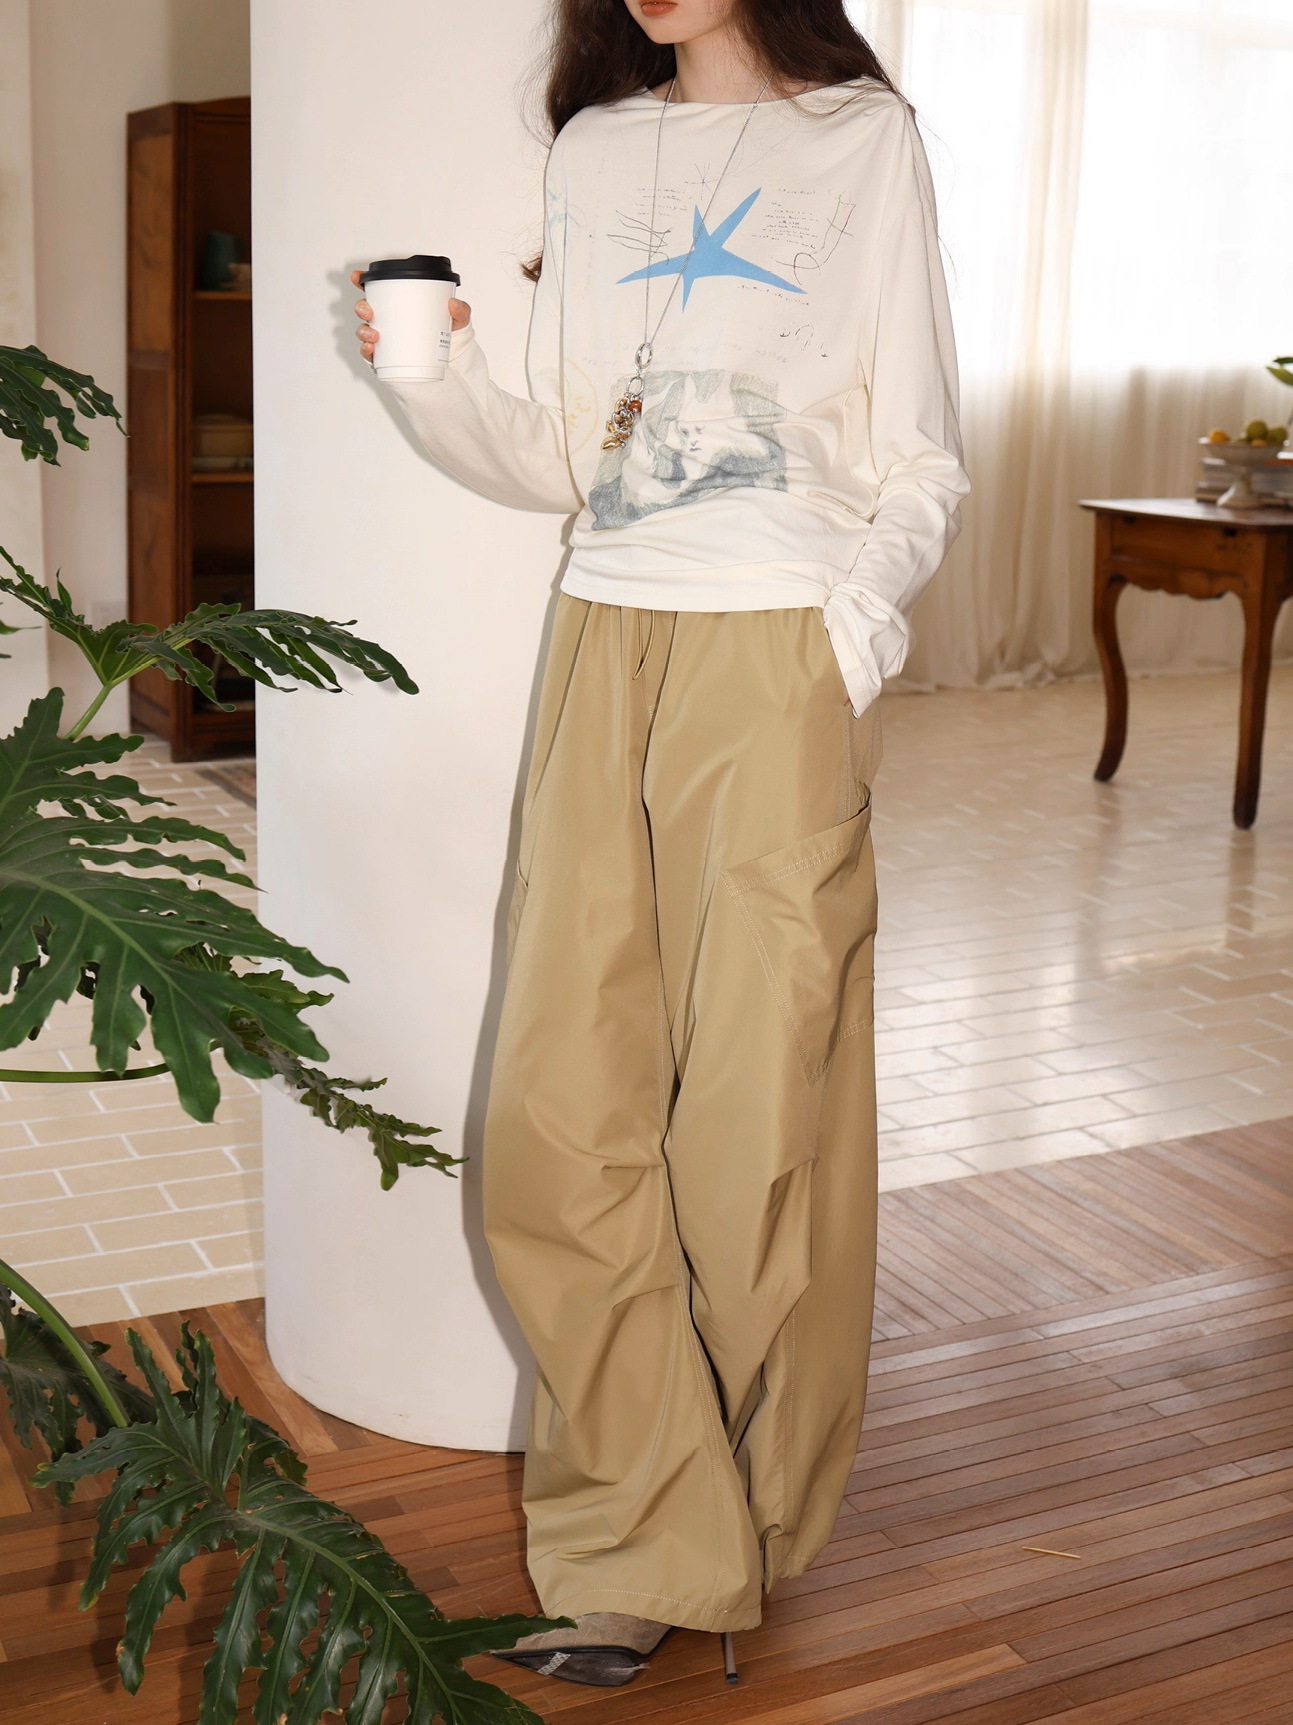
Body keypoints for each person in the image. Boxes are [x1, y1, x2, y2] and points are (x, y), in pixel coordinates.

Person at [350, 0, 968, 1691]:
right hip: (601, 634)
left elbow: (920, 445)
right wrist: (427, 375)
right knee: (560, 1108)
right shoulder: (597, 148)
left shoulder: (863, 141)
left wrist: (848, 628)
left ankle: (732, 1519)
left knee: (758, 1112)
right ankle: (641, 1534)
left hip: (775, 643)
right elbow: (573, 453)